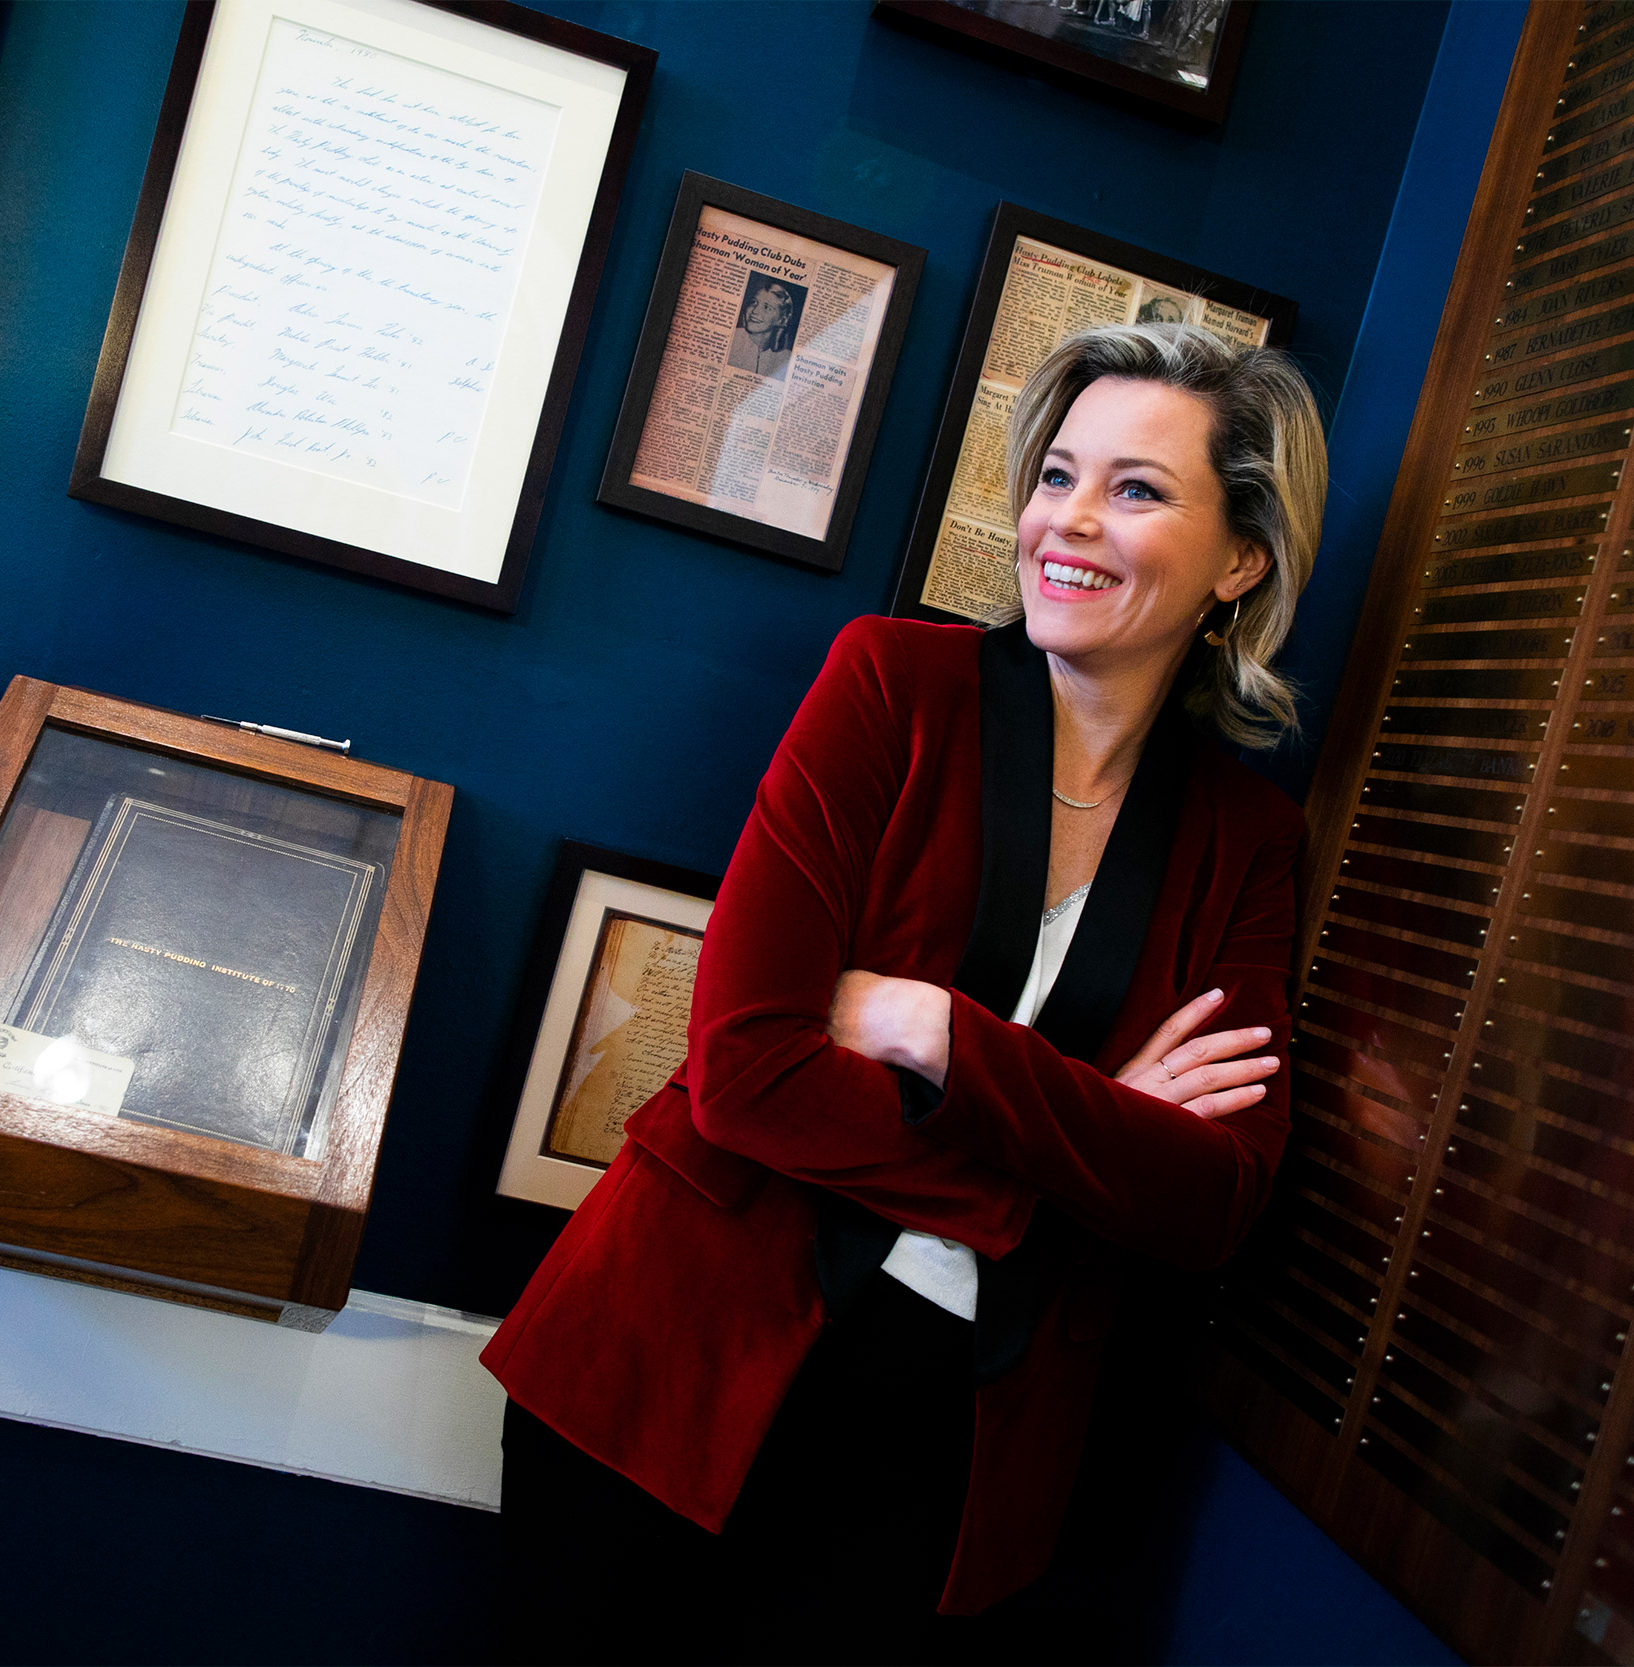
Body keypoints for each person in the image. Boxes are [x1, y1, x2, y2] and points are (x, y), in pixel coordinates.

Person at [485, 322, 1324, 1662]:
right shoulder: (892, 683)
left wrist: (936, 1027)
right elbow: (750, 1068)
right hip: (666, 1362)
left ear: (1241, 559)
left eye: (1138, 488)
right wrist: (1073, 1148)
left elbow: (1212, 1195)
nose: (1073, 520)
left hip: (952, 1453)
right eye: (1059, 474)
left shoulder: (1246, 842)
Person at [725, 279, 800, 379]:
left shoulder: (786, 358)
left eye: (767, 307)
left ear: (782, 320)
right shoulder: (731, 340)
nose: (755, 311)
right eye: (754, 302)